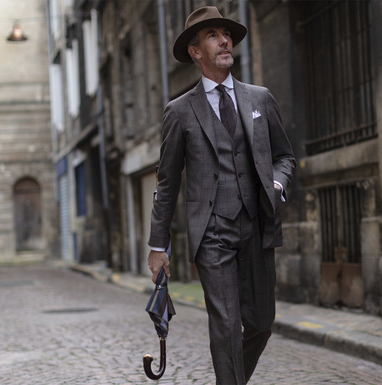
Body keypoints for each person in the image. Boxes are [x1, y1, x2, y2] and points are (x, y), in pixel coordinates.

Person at [148, 6, 295, 385]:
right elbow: (168, 182)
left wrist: (277, 184)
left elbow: (285, 157)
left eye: (226, 34)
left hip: (258, 226)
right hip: (212, 232)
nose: (224, 40)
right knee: (227, 324)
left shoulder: (260, 99)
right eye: (213, 35)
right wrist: (158, 244)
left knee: (261, 324)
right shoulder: (179, 112)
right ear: (196, 52)